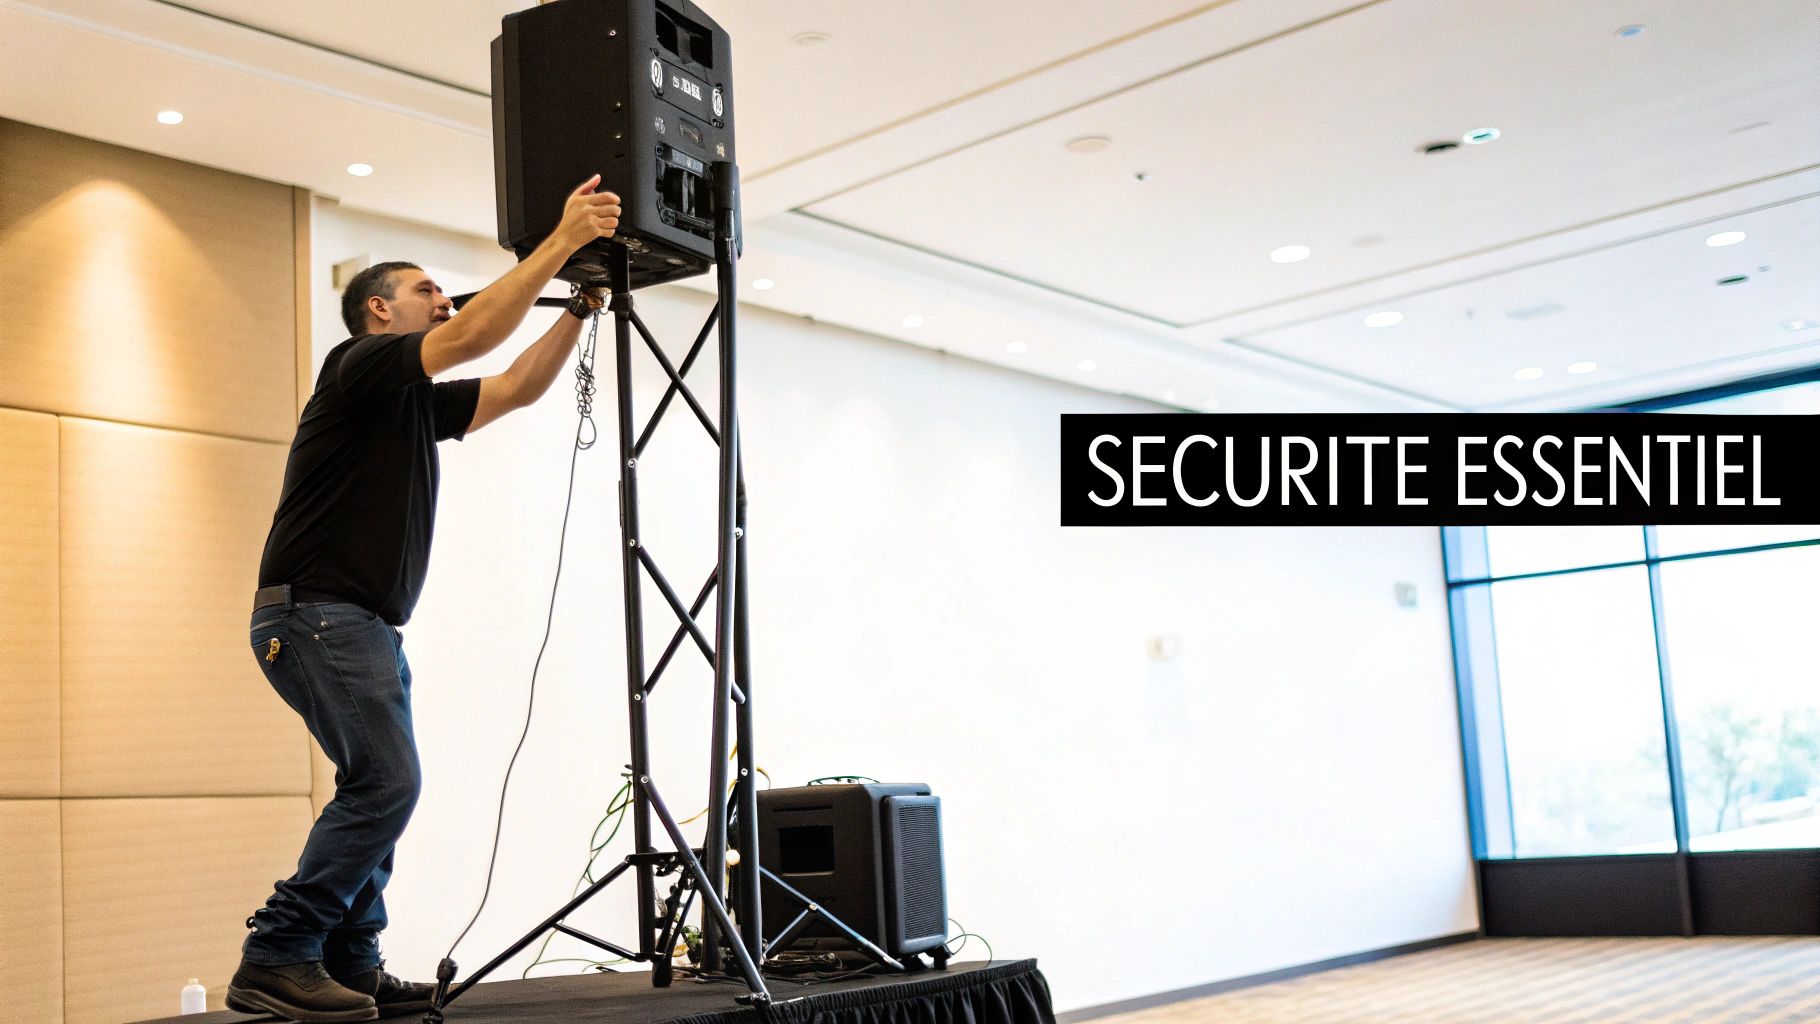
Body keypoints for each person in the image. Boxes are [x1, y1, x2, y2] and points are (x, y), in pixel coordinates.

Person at [227, 176, 620, 1023]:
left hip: (352, 621)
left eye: (443, 289)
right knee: (387, 783)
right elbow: (479, 334)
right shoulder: (359, 368)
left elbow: (515, 387)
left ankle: (349, 959)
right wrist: (555, 243)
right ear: (377, 311)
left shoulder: (404, 404)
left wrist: (579, 309)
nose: (444, 301)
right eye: (425, 290)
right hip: (318, 613)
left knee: (375, 783)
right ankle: (277, 955)